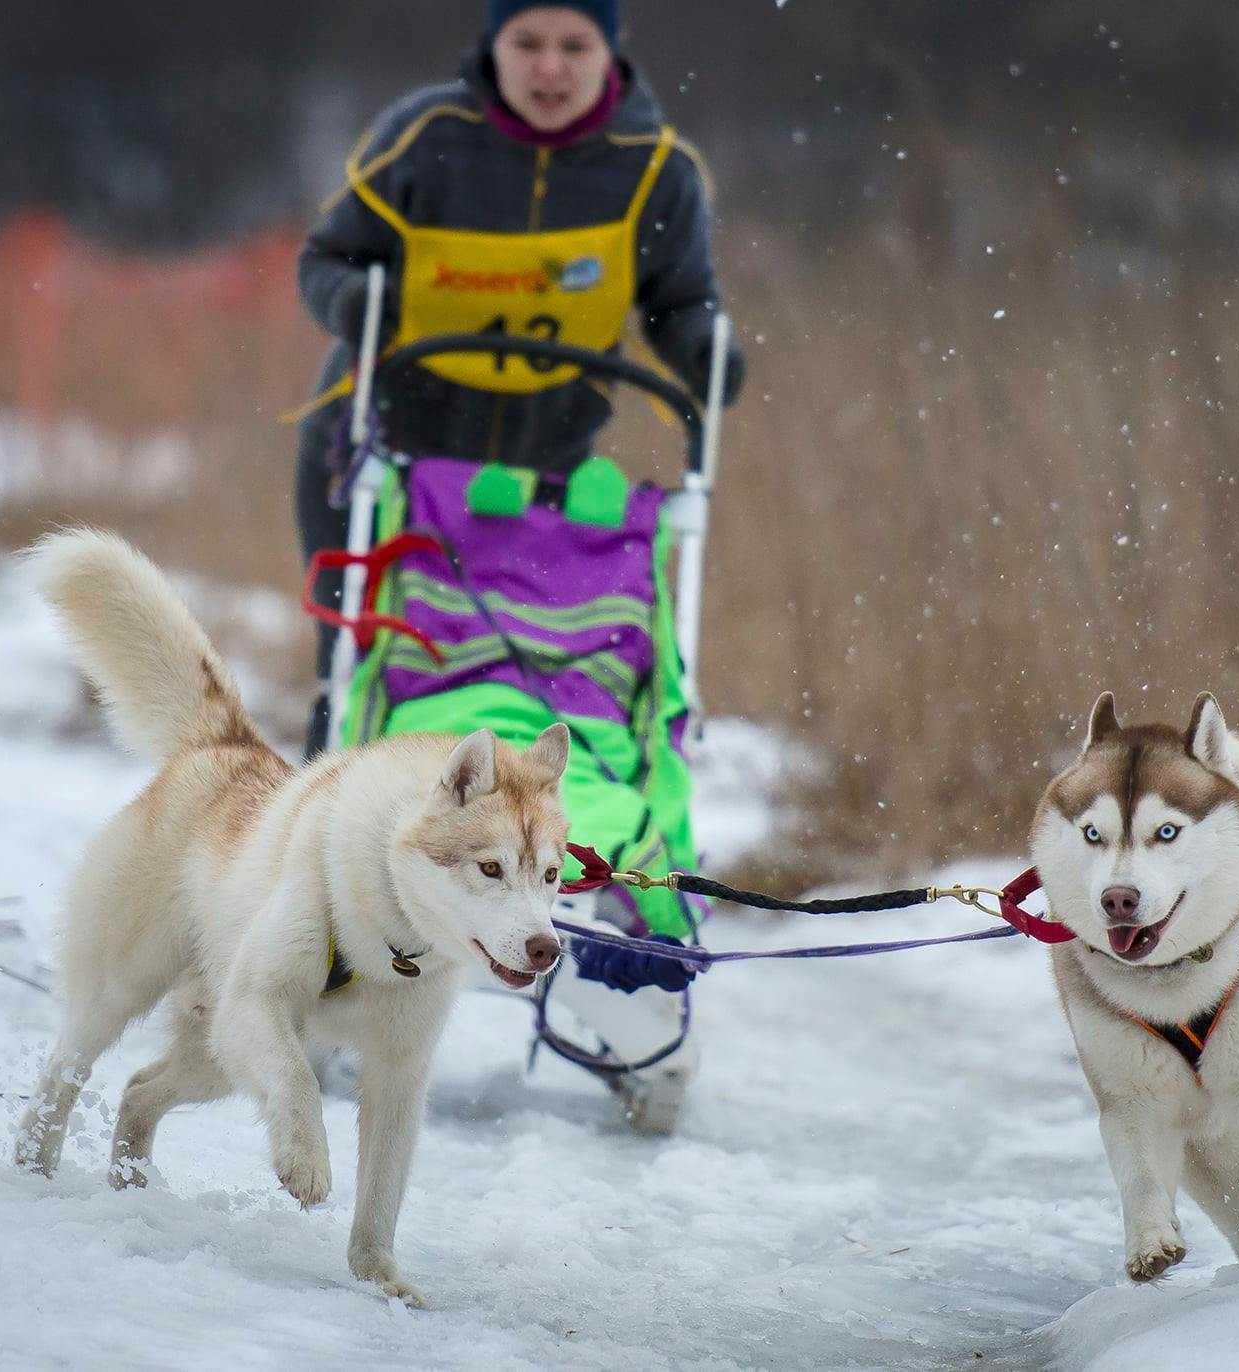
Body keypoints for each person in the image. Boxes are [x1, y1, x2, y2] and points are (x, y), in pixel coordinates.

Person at [292, 0, 742, 1132]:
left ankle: (628, 978)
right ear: (494, 48)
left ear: (611, 52)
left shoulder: (652, 169)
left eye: (573, 46)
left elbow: (680, 297)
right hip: (389, 454)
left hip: (542, 466)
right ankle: (321, 938)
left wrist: (703, 352)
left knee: (563, 659)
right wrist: (358, 304)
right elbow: (327, 257)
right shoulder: (422, 138)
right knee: (358, 674)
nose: (549, 68)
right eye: (528, 43)